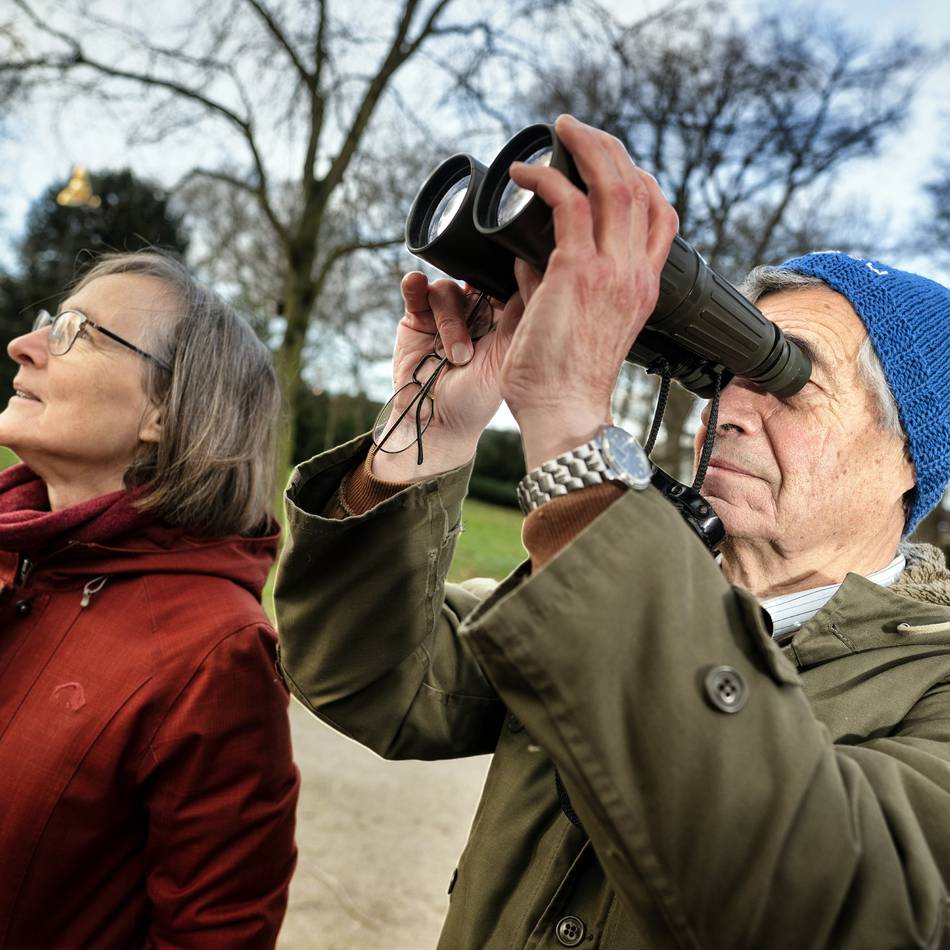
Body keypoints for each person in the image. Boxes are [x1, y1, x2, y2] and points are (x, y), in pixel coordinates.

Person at [275, 115, 950, 948]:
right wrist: (430, 430)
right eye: (724, 375)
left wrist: (571, 427)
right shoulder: (624, 583)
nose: (730, 411)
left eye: (787, 380)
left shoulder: (932, 687)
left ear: (910, 462)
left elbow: (824, 897)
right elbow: (373, 681)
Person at [0, 252, 299, 949]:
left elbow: (216, 935)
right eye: (50, 321)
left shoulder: (217, 652)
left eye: (78, 331)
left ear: (166, 412)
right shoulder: (14, 548)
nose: (25, 344)